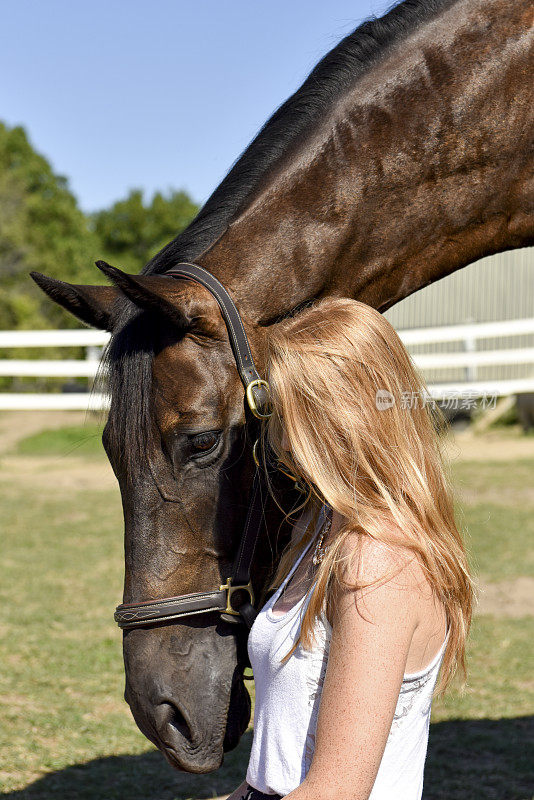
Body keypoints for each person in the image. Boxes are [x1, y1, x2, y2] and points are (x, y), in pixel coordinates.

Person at [227, 297, 474, 800]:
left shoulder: (376, 559)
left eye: (285, 412)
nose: (274, 436)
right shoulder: (318, 525)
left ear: (338, 420)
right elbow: (275, 766)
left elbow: (337, 790)